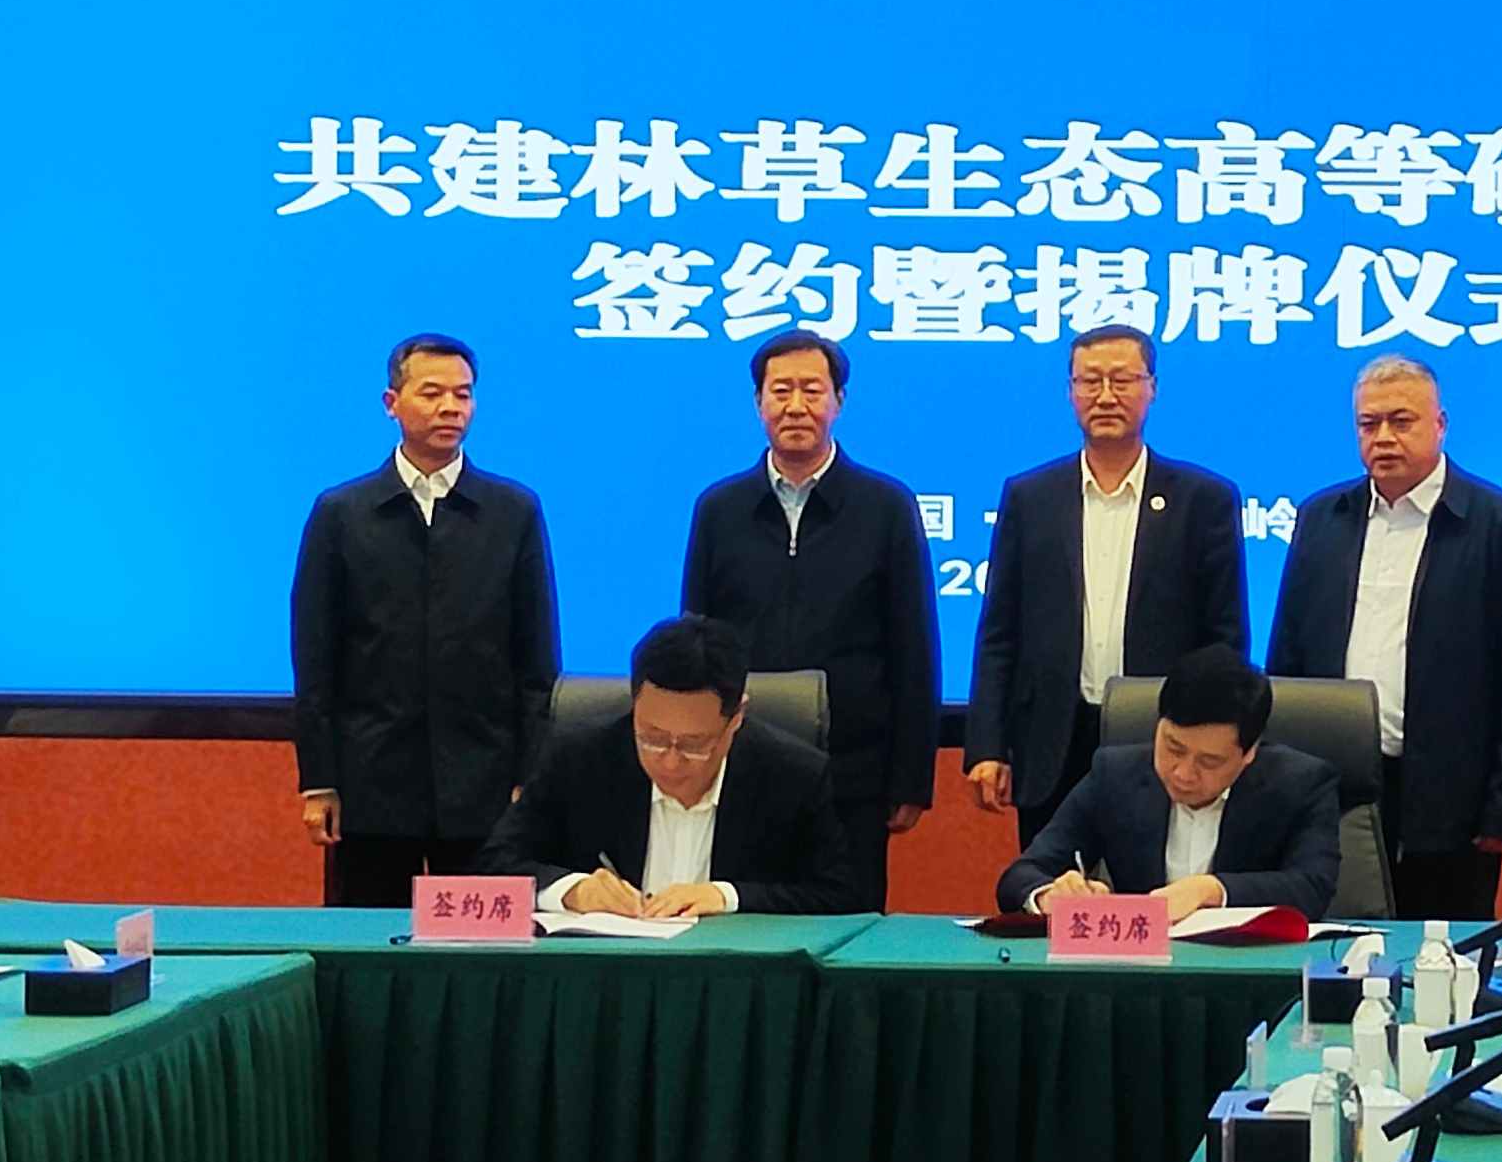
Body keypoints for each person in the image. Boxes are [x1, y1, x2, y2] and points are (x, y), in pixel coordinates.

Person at [1267, 355, 1502, 920]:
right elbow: (1288, 655)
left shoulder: (1501, 526)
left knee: (1442, 952)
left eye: (1401, 421)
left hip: (1452, 795)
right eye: (1369, 423)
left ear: (1440, 425)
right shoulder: (1322, 518)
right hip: (1333, 783)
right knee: (1333, 942)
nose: (1383, 438)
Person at [291, 334, 559, 907]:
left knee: (487, 942)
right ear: (392, 403)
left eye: (463, 395)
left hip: (484, 783)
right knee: (369, 939)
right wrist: (319, 779)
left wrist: (531, 775)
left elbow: (537, 661)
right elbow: (316, 660)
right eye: (432, 393)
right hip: (372, 781)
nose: (450, 408)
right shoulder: (343, 513)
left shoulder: (512, 511)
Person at [965, 324, 1248, 848]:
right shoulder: (1031, 497)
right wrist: (987, 745)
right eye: (1090, 381)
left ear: (1152, 388)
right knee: (1053, 884)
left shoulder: (1203, 500)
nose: (1106, 395)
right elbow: (1000, 631)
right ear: (1071, 391)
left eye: (1122, 379)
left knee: (1154, 885)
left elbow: (1225, 637)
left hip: (1163, 738)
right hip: (1052, 738)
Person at [681, 333, 938, 909]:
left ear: (838, 401)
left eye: (812, 390)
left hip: (853, 771)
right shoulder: (720, 509)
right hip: (742, 765)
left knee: (849, 919)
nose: (796, 406)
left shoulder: (885, 506)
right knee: (739, 914)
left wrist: (910, 777)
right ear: (758, 402)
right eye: (781, 391)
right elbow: (696, 644)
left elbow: (913, 647)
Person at [477, 615, 862, 916]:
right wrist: (571, 890)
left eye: (695, 745)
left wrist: (727, 896)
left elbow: (839, 896)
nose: (671, 761)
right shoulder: (579, 760)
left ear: (736, 719)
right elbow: (495, 863)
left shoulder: (793, 776)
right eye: (652, 737)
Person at [995, 645, 1342, 921]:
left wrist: (1211, 890)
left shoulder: (1301, 784)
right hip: (1142, 972)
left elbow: (1312, 887)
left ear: (1249, 752)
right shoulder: (1114, 775)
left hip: (1251, 968)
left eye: (1209, 761)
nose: (1183, 772)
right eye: (1173, 748)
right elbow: (1021, 874)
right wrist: (1049, 895)